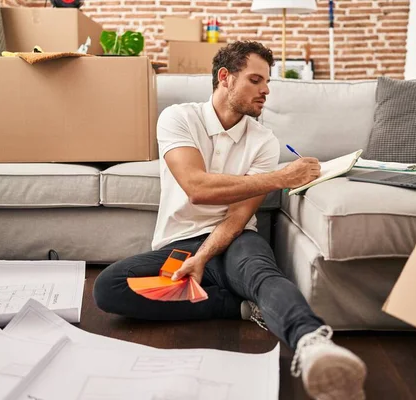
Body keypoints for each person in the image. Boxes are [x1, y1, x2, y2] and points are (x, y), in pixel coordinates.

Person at [93, 40, 367, 399]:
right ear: (225, 78)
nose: (266, 90)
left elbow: (238, 215)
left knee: (261, 274)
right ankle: (240, 305)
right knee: (109, 287)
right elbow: (197, 187)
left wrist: (204, 258)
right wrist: (282, 178)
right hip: (179, 243)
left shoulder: (264, 141)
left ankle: (313, 345)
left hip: (236, 239)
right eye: (256, 80)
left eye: (267, 82)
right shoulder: (178, 118)